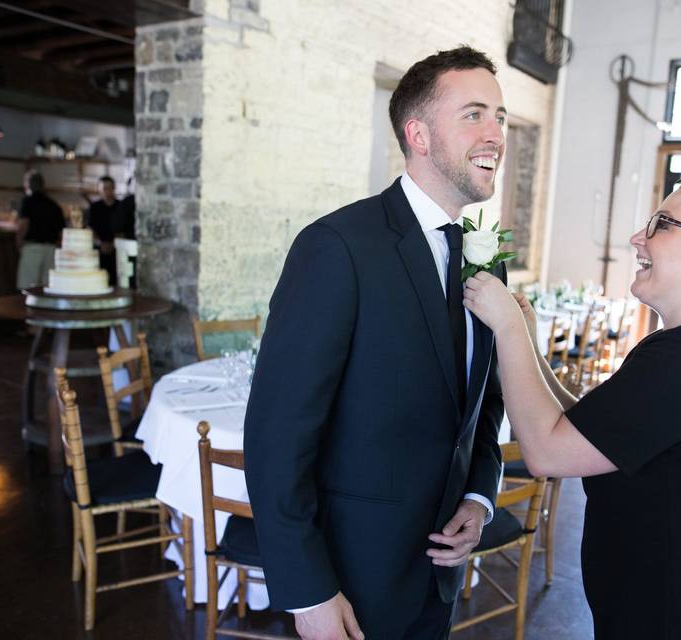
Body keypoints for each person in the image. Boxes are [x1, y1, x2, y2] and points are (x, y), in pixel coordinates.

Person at [463, 172, 681, 639]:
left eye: (663, 224)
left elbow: (549, 452)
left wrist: (506, 328)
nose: (636, 238)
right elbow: (590, 433)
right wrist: (528, 344)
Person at [245, 45, 509, 640]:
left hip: (438, 572)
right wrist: (308, 589)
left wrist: (478, 495)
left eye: (500, 116)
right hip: (351, 578)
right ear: (418, 133)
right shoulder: (338, 247)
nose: (495, 132)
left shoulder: (485, 255)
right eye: (474, 114)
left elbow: (481, 404)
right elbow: (276, 437)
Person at [16, 170, 65, 289]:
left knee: (28, 285)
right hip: (51, 248)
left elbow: (24, 224)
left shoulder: (27, 201)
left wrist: (18, 241)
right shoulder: (53, 204)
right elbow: (61, 231)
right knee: (47, 286)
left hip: (32, 247)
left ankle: (26, 307)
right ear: (43, 185)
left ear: (27, 185)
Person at [85, 175, 120, 285]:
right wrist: (101, 244)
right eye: (104, 188)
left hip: (117, 251)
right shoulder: (94, 208)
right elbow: (90, 229)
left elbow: (124, 229)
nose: (107, 191)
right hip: (99, 250)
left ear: (114, 189)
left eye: (109, 188)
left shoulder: (121, 206)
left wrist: (113, 244)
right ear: (99, 190)